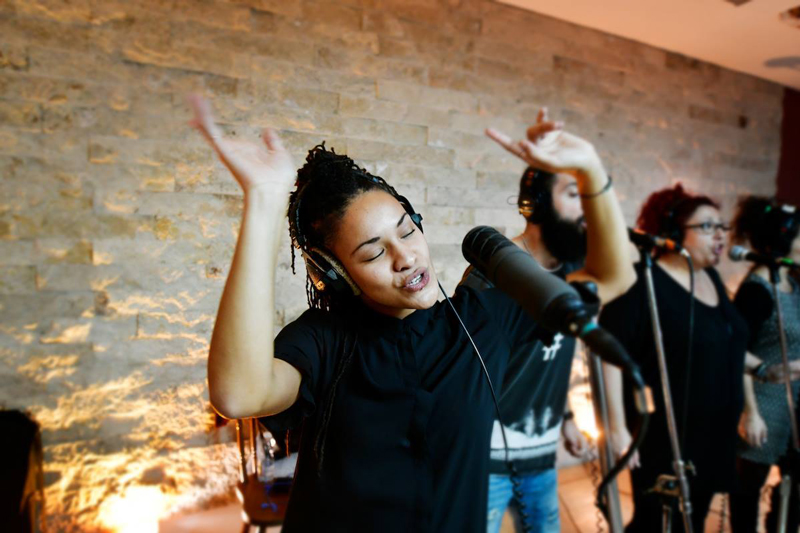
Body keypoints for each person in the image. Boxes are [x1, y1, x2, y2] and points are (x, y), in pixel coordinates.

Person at [192, 93, 630, 532]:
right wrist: (264, 199)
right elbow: (239, 395)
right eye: (373, 253)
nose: (406, 258)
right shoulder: (323, 341)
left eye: (407, 230)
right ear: (337, 275)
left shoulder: (482, 321)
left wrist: (589, 169)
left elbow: (612, 278)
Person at [461, 113, 635, 532]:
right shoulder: (494, 273)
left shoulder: (573, 270)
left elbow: (622, 271)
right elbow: (473, 375)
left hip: (541, 457)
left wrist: (568, 419)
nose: (586, 210)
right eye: (575, 194)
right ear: (535, 204)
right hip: (486, 460)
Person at [601, 184, 748, 532]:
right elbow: (607, 350)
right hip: (665, 435)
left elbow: (724, 340)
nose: (721, 235)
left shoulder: (710, 277)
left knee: (694, 518)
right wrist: (616, 428)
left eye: (722, 227)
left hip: (714, 433)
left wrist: (766, 370)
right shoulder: (642, 282)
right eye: (708, 226)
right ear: (671, 232)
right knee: (657, 521)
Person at [728, 196, 800, 533]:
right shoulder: (757, 290)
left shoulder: (793, 283)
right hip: (762, 404)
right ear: (783, 241)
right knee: (747, 491)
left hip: (793, 406)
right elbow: (736, 352)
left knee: (792, 493)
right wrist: (750, 413)